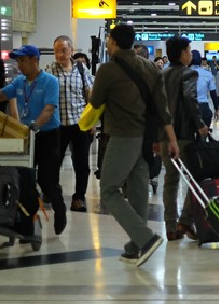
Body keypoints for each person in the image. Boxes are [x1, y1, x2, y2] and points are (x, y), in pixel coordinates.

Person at [88, 25, 179, 267]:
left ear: (114, 42)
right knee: (138, 189)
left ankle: (145, 239)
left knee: (108, 189)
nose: (107, 43)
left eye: (108, 39)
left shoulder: (107, 70)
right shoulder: (150, 66)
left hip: (123, 135)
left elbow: (95, 101)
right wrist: (171, 137)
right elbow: (163, 107)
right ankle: (135, 246)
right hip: (146, 137)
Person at [0, 45, 67, 235]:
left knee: (47, 180)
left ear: (34, 60)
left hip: (48, 136)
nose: (19, 64)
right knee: (25, 180)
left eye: (22, 60)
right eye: (18, 61)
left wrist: (36, 125)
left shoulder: (50, 81)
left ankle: (60, 208)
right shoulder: (19, 82)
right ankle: (26, 225)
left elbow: (49, 109)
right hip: (27, 136)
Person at [161, 36, 209, 242]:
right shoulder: (189, 72)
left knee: (170, 181)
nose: (191, 54)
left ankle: (171, 227)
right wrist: (200, 125)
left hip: (165, 134)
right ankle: (185, 221)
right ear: (182, 53)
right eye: (189, 50)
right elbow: (190, 99)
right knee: (196, 180)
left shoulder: (161, 73)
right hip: (184, 134)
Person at [51, 35, 94, 213]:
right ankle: (53, 191)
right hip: (58, 125)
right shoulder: (50, 71)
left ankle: (79, 197)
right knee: (54, 162)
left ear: (71, 50)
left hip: (79, 125)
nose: (60, 54)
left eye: (63, 50)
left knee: (81, 163)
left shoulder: (82, 70)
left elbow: (90, 96)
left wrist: (92, 122)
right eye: (56, 51)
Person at [190, 50, 219, 130]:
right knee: (203, 137)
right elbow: (213, 93)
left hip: (188, 107)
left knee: (189, 138)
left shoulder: (184, 73)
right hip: (204, 107)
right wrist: (216, 109)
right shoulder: (207, 74)